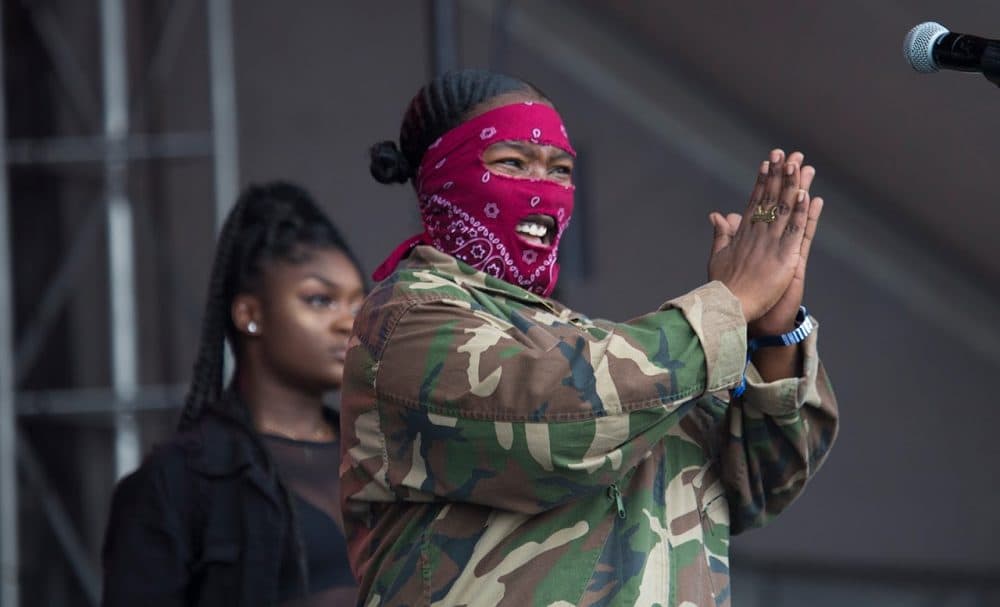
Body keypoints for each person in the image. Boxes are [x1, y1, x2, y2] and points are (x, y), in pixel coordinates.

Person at [341, 69, 838, 606]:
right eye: (512, 163)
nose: (545, 190)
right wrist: (730, 304)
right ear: (444, 173)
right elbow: (564, 425)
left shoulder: (601, 349)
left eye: (560, 170)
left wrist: (773, 334)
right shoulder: (405, 324)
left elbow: (760, 483)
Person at [102, 182, 365, 606]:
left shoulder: (381, 457)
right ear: (250, 314)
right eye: (320, 300)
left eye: (358, 304)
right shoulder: (179, 481)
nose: (347, 323)